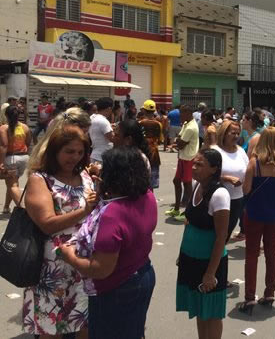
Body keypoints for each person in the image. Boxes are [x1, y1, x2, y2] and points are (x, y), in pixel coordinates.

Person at [59, 147, 157, 339]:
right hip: (142, 274)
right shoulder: (147, 195)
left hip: (116, 288)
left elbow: (100, 269)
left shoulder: (113, 213)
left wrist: (70, 256)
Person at [23, 125, 97, 337]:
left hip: (84, 266)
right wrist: (84, 210)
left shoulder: (84, 175)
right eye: (69, 151)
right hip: (54, 269)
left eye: (80, 152)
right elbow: (46, 223)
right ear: (55, 150)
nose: (75, 157)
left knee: (85, 325)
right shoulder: (40, 180)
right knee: (52, 328)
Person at [176, 149, 230, 338]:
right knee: (200, 309)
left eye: (200, 164)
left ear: (214, 169)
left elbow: (221, 236)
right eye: (194, 163)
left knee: (212, 312)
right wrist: (181, 254)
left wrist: (210, 273)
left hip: (209, 263)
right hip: (191, 258)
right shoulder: (197, 186)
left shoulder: (220, 195)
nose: (194, 167)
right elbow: (188, 222)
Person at [240, 127, 275, 314]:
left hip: (254, 213)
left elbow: (246, 190)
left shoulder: (254, 164)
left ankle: (249, 297)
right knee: (272, 253)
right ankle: (270, 293)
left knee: (251, 254)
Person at [214, 119, 249, 241]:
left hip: (237, 199)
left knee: (227, 233)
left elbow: (248, 170)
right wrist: (226, 178)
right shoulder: (215, 151)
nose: (236, 136)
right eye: (233, 133)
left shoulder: (240, 151)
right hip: (217, 199)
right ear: (224, 133)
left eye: (238, 133)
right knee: (216, 234)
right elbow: (205, 175)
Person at [167, 105, 199, 221]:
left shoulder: (191, 127)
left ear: (188, 113)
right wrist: (179, 141)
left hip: (188, 158)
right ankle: (176, 209)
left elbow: (180, 144)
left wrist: (179, 141)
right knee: (176, 181)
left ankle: (187, 213)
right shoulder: (186, 124)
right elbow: (179, 138)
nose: (180, 115)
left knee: (187, 184)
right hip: (183, 157)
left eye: (181, 113)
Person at [0, 106, 32, 213]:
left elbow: (4, 145)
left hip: (11, 159)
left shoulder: (4, 128)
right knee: (11, 183)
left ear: (6, 115)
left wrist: (1, 162)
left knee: (13, 185)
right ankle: (6, 207)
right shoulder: (25, 127)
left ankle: (24, 210)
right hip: (24, 158)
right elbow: (28, 143)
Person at [139, 100, 163, 191]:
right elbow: (160, 140)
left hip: (142, 154)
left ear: (144, 111)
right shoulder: (158, 124)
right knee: (151, 184)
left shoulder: (140, 123)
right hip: (154, 155)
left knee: (140, 181)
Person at [89, 97, 115, 164]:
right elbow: (112, 138)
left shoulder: (92, 118)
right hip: (102, 157)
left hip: (96, 154)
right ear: (109, 108)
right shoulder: (103, 121)